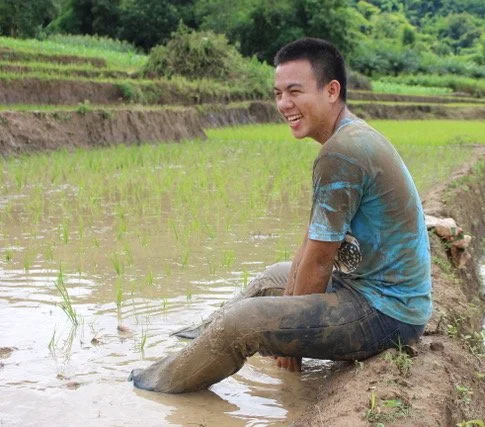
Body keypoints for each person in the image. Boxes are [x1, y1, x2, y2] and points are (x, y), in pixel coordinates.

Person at [128, 38, 431, 393]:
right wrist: (289, 314)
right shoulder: (347, 138)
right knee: (270, 279)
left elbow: (320, 262)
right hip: (367, 289)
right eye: (277, 93)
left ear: (331, 90)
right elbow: (313, 237)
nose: (284, 104)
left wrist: (293, 336)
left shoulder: (343, 152)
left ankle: (149, 385)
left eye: (295, 91)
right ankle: (194, 339)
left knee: (243, 323)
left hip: (388, 313)